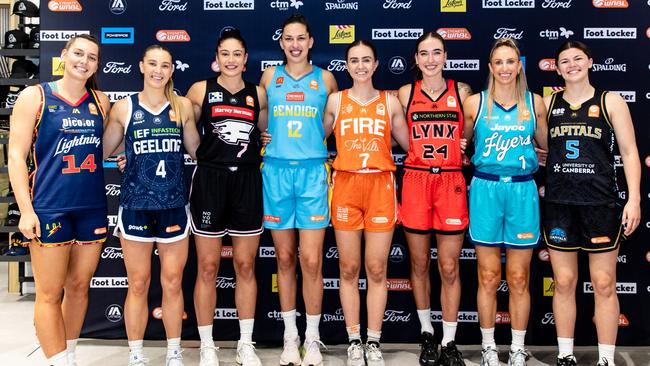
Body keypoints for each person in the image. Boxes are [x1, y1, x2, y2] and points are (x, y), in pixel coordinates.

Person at [8, 34, 111, 366]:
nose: (84, 61)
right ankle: (57, 361)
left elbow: (106, 148)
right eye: (78, 53)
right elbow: (15, 156)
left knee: (79, 287)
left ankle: (69, 354)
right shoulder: (34, 96)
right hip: (49, 207)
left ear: (97, 64)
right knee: (50, 294)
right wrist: (25, 210)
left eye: (92, 57)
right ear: (64, 55)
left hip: (92, 206)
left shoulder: (101, 101)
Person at [542, 41, 641, 366]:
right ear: (557, 68)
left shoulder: (610, 101)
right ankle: (566, 355)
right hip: (560, 204)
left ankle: (607, 360)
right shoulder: (547, 103)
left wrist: (635, 199)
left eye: (578, 59)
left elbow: (628, 153)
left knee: (603, 283)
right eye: (565, 61)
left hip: (600, 204)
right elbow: (536, 147)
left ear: (590, 62)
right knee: (565, 282)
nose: (572, 65)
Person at [103, 44, 199, 366]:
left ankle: (174, 352)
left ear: (172, 70)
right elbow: (102, 150)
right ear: (142, 66)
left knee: (172, 282)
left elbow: (199, 151)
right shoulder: (123, 107)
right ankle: (136, 354)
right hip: (135, 205)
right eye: (153, 64)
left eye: (166, 65)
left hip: (173, 205)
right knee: (139, 283)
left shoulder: (183, 106)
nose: (159, 70)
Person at [322, 39, 409, 366]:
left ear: (375, 65)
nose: (360, 66)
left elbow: (410, 143)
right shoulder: (336, 101)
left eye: (366, 60)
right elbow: (313, 139)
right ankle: (353, 339)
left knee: (376, 269)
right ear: (347, 66)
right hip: (346, 184)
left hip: (380, 186)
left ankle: (373, 341)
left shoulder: (390, 102)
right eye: (354, 60)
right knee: (348, 268)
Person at [184, 28, 268, 366]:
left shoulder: (258, 93)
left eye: (237, 54)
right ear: (216, 59)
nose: (231, 60)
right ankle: (207, 345)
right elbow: (185, 129)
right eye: (225, 54)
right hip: (211, 181)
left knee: (246, 265)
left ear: (246, 59)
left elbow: (263, 132)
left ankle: (245, 343)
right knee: (207, 266)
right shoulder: (199, 89)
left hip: (247, 181)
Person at [463, 38, 548, 366]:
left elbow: (547, 148)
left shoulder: (535, 104)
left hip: (522, 191)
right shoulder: (475, 104)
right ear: (490, 67)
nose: (504, 68)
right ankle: (488, 348)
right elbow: (461, 147)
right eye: (498, 62)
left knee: (518, 277)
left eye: (510, 61)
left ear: (519, 65)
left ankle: (516, 348)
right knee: (487, 275)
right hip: (486, 190)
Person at [259, 13, 337, 366]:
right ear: (281, 42)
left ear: (311, 41)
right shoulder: (269, 77)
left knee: (311, 260)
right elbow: (260, 118)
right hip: (276, 172)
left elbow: (330, 125)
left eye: (300, 38)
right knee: (285, 259)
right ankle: (291, 337)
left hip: (311, 174)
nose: (294, 44)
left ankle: (313, 337)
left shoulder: (326, 80)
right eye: (288, 38)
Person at [397, 31, 472, 366]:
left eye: (436, 53)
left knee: (450, 266)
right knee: (418, 264)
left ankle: (450, 340)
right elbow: (398, 136)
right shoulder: (405, 93)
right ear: (416, 58)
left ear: (445, 56)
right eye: (423, 53)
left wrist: (467, 147)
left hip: (451, 181)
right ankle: (427, 333)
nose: (430, 59)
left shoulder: (463, 92)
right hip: (415, 179)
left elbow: (473, 136)